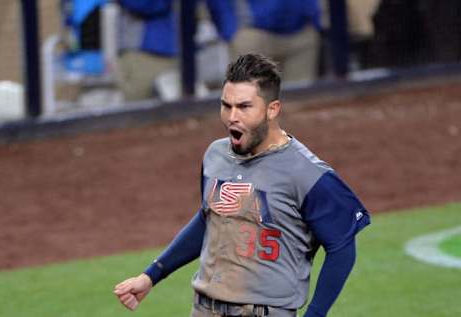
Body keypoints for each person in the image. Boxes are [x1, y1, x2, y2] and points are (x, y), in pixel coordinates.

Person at [114, 53, 370, 317]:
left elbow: (342, 247)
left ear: (272, 109)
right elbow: (210, 220)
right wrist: (151, 275)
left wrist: (315, 315)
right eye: (226, 105)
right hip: (204, 309)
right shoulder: (216, 156)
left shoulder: (306, 172)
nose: (232, 117)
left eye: (244, 107)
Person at [205, 0, 322, 83]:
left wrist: (313, 16)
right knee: (251, 107)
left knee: (300, 105)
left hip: (302, 33)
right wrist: (230, 30)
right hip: (253, 34)